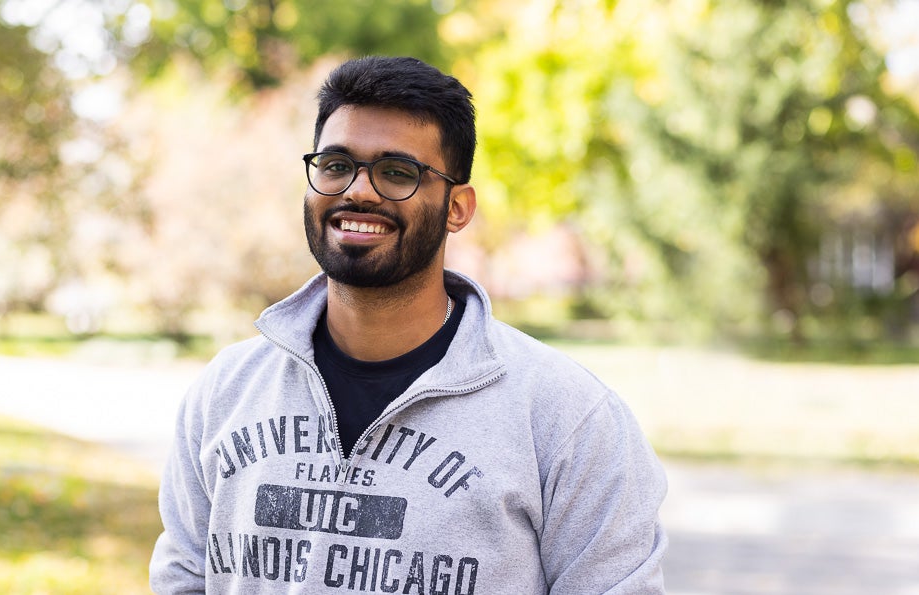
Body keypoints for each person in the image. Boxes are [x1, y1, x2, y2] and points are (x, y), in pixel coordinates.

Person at [150, 55, 668, 594]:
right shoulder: (226, 392)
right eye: (335, 164)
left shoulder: (568, 419)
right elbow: (183, 579)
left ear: (457, 208)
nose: (358, 190)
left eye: (397, 172)